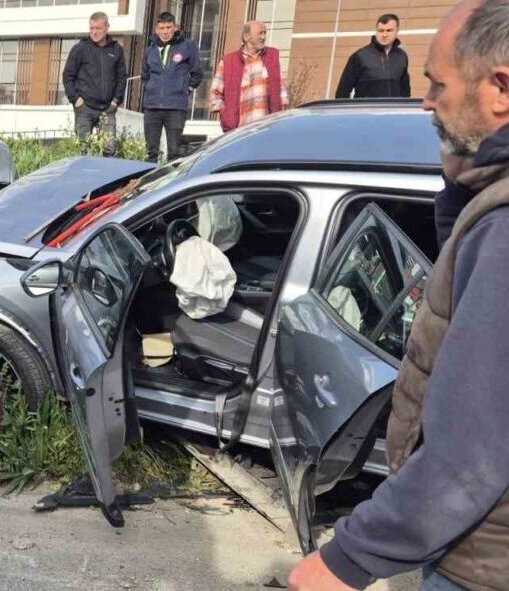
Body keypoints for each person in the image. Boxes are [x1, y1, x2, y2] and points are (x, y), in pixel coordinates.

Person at [288, 1, 509, 589]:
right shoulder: (489, 203)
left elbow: (468, 455)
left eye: (437, 84)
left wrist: (345, 562)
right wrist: (463, 183)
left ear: (501, 89)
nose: (426, 102)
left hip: (480, 564)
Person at [141, 12, 203, 162]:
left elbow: (197, 73)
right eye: (162, 28)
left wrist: (185, 88)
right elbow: (145, 75)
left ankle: (172, 184)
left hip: (176, 107)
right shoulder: (150, 48)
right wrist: (151, 88)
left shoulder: (187, 46)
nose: (165, 31)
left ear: (175, 27)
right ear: (156, 29)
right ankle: (150, 184)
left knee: (174, 153)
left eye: (169, 27)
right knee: (151, 152)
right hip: (152, 107)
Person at [63, 11, 127, 157]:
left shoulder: (116, 50)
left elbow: (121, 77)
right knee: (82, 149)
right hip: (85, 108)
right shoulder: (80, 49)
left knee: (109, 149)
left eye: (98, 28)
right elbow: (68, 76)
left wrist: (116, 101)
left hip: (107, 109)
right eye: (91, 28)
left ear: (107, 28)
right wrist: (75, 99)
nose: (94, 32)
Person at [208, 20, 289, 133]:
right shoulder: (229, 61)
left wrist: (281, 113)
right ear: (246, 37)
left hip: (268, 128)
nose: (263, 37)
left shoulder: (272, 57)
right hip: (239, 131)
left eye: (265, 33)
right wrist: (226, 115)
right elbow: (215, 95)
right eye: (260, 33)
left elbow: (282, 90)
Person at [334, 14, 412, 99]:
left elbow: (405, 91)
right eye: (381, 31)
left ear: (397, 31)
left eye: (389, 30)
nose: (384, 35)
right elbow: (343, 91)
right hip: (366, 110)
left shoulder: (402, 56)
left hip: (392, 110)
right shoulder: (360, 56)